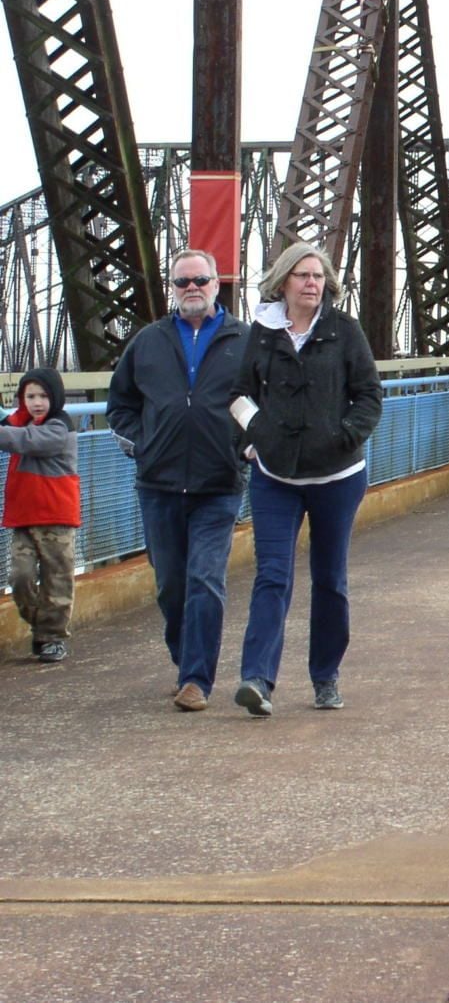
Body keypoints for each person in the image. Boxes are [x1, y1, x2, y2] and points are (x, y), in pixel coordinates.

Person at [230, 241, 383, 717]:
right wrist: (256, 435)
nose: (311, 283)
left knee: (329, 578)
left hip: (338, 476)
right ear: (283, 283)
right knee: (272, 575)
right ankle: (257, 679)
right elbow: (239, 394)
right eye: (302, 275)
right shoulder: (263, 332)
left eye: (318, 276)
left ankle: (325, 676)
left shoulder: (345, 331)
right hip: (275, 476)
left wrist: (345, 435)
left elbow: (369, 395)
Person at [107, 249, 250, 712]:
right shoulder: (148, 342)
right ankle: (184, 659)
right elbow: (120, 405)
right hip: (159, 484)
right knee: (171, 585)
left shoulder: (244, 340)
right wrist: (143, 445)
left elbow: (265, 401)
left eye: (200, 280)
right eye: (182, 281)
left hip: (218, 483)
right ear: (172, 288)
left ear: (216, 284)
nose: (192, 288)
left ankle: (196, 680)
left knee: (204, 579)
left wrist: (247, 445)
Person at [1, 368, 79, 662]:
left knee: (56, 579)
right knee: (19, 576)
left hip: (56, 517)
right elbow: (11, 428)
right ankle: (42, 627)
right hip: (24, 516)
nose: (36, 402)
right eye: (30, 396)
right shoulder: (21, 422)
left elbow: (25, 440)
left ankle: (52, 637)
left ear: (55, 397)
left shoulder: (60, 427)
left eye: (43, 396)